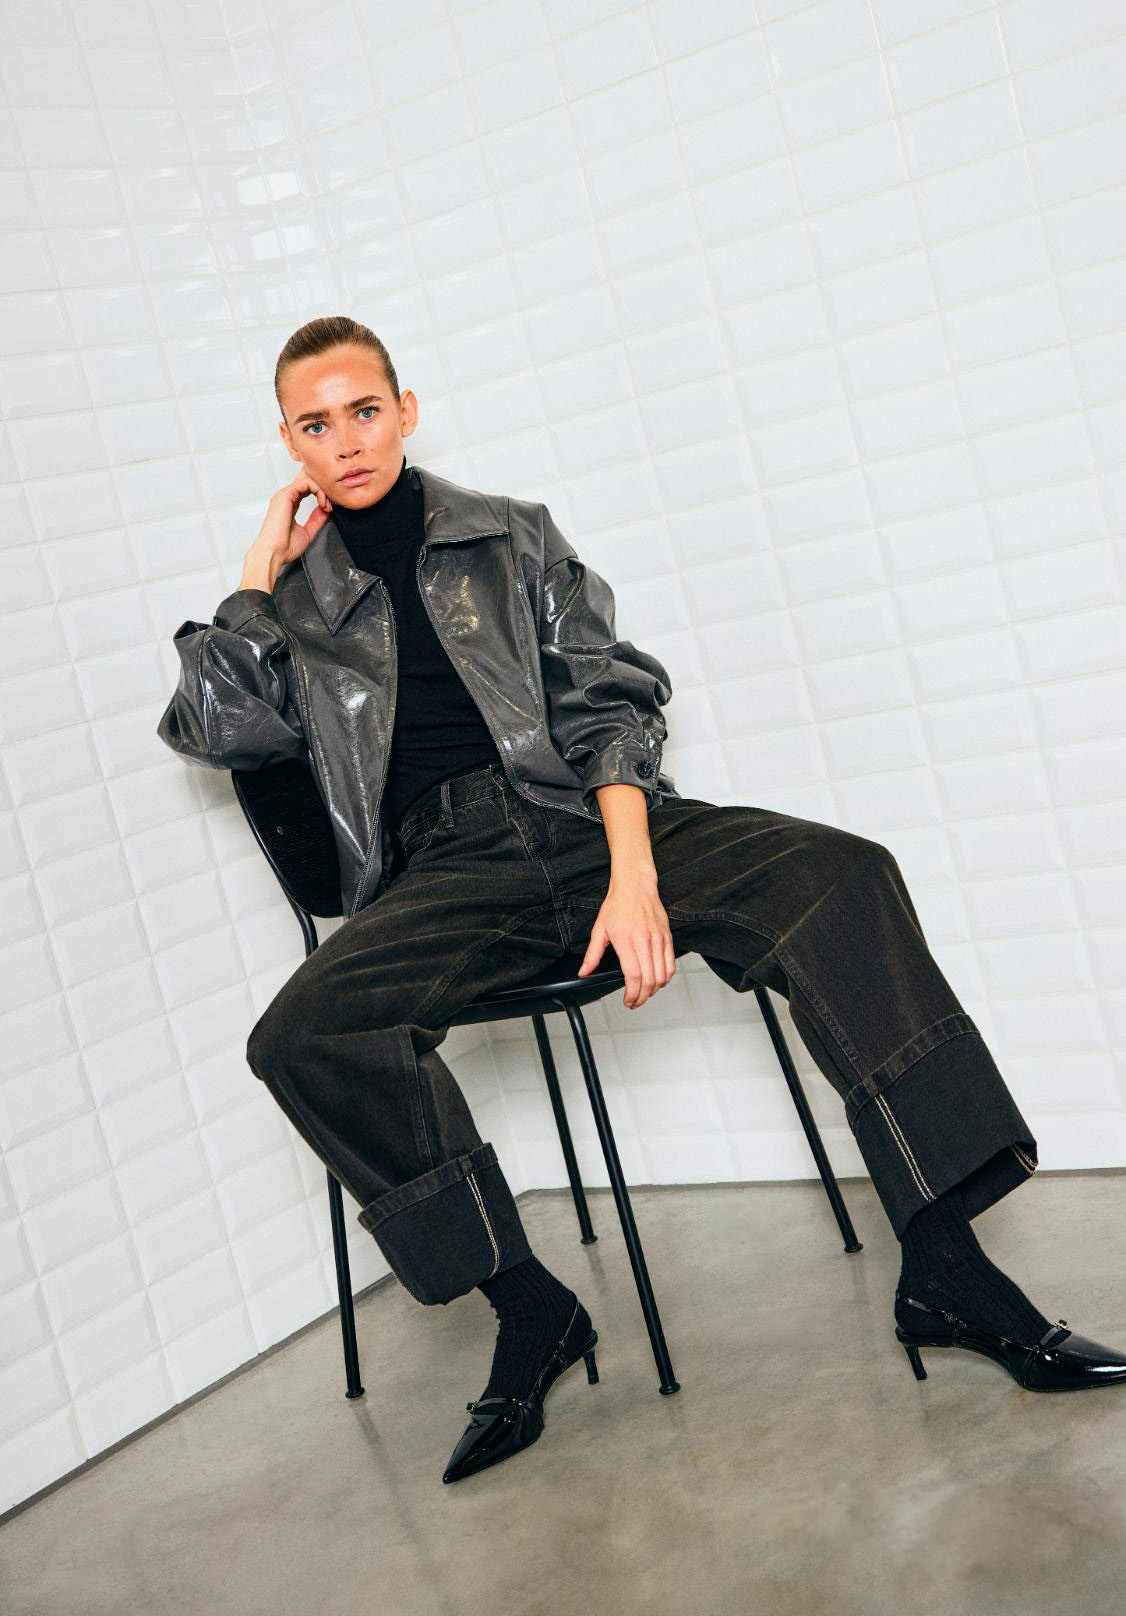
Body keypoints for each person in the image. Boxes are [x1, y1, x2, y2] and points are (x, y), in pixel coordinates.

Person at [157, 316, 1126, 1485]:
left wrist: (631, 874)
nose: (346, 440)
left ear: (405, 411)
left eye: (364, 410)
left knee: (842, 872)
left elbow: (607, 707)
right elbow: (218, 730)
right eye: (315, 424)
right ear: (289, 443)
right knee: (300, 1033)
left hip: (595, 819)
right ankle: (530, 1307)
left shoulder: (512, 533)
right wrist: (256, 579)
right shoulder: (293, 603)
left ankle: (947, 1268)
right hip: (449, 869)